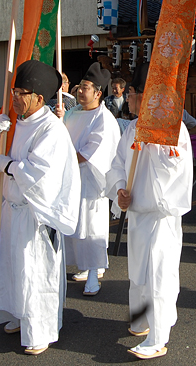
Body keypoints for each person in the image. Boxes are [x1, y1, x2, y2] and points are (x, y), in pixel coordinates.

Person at [0, 60, 81, 355]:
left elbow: (40, 173)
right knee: (14, 269)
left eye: (21, 93)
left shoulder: (51, 129)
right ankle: (18, 314)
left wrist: (9, 165)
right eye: (14, 92)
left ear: (39, 98)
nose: (14, 98)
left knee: (35, 273)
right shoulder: (15, 123)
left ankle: (39, 328)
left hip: (35, 216)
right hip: (13, 211)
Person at [106, 64, 193, 360]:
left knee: (159, 273)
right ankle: (142, 320)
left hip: (161, 215)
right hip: (139, 215)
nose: (128, 98)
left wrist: (154, 145)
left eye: (132, 93)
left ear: (147, 96)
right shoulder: (131, 128)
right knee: (139, 273)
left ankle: (158, 336)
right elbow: (119, 163)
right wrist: (120, 188)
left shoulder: (172, 128)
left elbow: (177, 171)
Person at [61, 63, 121, 296]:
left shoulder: (103, 119)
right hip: (70, 178)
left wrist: (64, 158)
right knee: (73, 225)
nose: (79, 91)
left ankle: (95, 273)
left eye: (85, 88)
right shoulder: (71, 113)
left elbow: (90, 152)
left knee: (91, 226)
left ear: (98, 93)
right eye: (79, 87)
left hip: (90, 180)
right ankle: (85, 266)